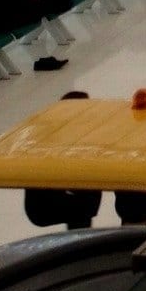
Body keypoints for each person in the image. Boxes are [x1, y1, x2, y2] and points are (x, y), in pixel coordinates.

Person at [24, 91, 99, 230]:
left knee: (85, 199)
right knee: (87, 201)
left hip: (44, 201)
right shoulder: (62, 138)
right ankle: (79, 240)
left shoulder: (55, 132)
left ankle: (79, 237)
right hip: (43, 206)